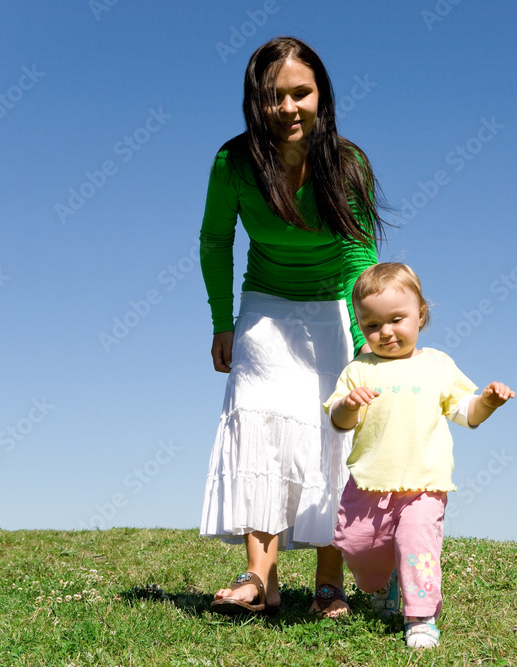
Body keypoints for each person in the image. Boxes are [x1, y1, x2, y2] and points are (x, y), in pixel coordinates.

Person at [199, 36, 386, 618]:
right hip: (264, 306)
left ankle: (329, 584)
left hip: (332, 307)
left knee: (331, 434)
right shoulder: (233, 163)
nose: (288, 108)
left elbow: (360, 256)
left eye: (300, 93)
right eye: (273, 97)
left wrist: (365, 343)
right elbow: (215, 241)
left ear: (321, 96)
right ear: (256, 103)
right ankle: (262, 577)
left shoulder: (347, 163)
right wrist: (222, 320)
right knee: (258, 426)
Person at [323, 263, 515, 648]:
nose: (385, 332)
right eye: (372, 325)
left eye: (396, 319)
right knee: (357, 546)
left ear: (420, 314)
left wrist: (488, 403)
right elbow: (338, 422)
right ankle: (380, 584)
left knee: (417, 545)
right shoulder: (359, 369)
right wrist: (348, 404)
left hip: (425, 483)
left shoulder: (438, 365)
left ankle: (421, 618)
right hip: (368, 483)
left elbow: (465, 411)